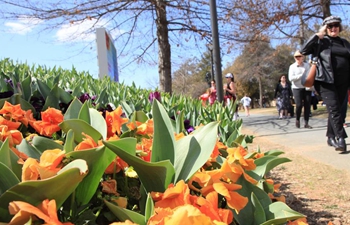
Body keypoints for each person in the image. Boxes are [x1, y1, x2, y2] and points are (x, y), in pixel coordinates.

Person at [300, 15, 350, 152]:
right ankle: (341, 139)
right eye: (330, 26)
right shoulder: (321, 42)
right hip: (325, 81)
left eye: (336, 25)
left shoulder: (345, 43)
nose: (333, 28)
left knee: (337, 110)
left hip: (343, 82)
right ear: (325, 28)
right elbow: (303, 50)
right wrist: (318, 35)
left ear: (339, 27)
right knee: (334, 109)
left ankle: (330, 136)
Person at [288, 50, 313, 128]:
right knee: (299, 105)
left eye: (299, 56)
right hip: (296, 88)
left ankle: (306, 123)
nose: (298, 58)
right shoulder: (292, 67)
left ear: (303, 57)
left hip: (306, 87)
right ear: (294, 58)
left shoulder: (307, 65)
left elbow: (309, 75)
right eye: (296, 57)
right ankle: (297, 119)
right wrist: (301, 75)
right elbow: (291, 78)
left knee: (307, 105)